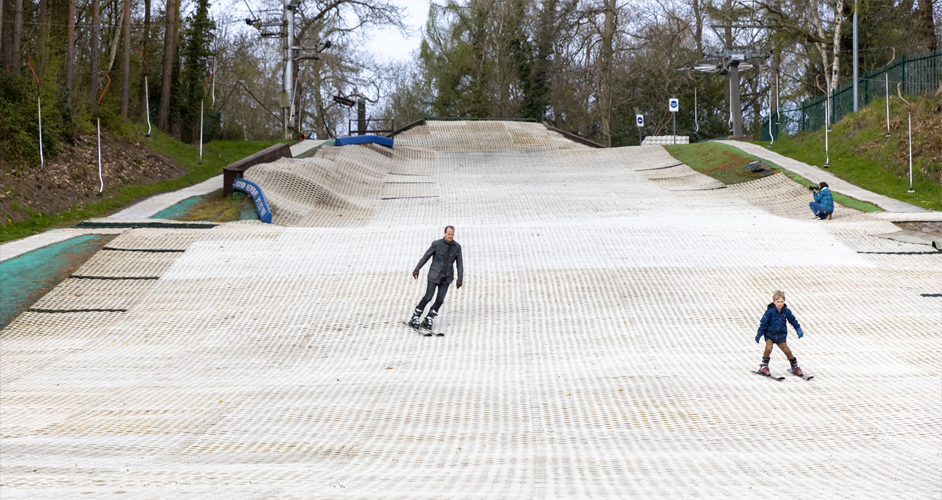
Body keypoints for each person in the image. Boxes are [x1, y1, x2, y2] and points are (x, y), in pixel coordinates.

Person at [408, 226, 463, 331]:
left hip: (446, 278)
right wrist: (417, 269)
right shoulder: (436, 244)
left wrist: (460, 278)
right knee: (428, 297)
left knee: (440, 299)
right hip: (434, 275)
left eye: (452, 234)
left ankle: (429, 317)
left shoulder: (457, 247)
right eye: (449, 234)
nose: (450, 236)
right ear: (444, 233)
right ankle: (416, 315)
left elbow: (460, 264)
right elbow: (426, 256)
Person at [755, 290, 806, 376]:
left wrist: (798, 329)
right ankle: (764, 366)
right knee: (768, 348)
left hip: (780, 336)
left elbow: (793, 320)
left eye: (781, 302)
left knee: (787, 351)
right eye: (778, 302)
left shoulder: (786, 311)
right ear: (774, 302)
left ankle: (794, 366)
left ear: (784, 302)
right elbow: (763, 323)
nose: (780, 303)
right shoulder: (769, 312)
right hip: (770, 335)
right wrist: (759, 334)